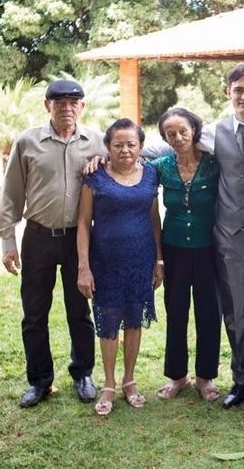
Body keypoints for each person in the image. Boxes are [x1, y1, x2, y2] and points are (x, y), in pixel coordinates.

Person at [140, 63, 244, 408]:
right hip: (227, 240)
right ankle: (241, 379)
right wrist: (111, 154)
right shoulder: (211, 133)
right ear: (228, 93)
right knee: (235, 312)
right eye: (239, 90)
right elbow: (169, 146)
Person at [0, 80, 103, 407]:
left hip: (79, 239)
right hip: (38, 237)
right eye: (60, 102)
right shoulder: (28, 142)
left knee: (80, 309)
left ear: (82, 107)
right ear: (48, 106)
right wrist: (7, 241)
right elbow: (11, 193)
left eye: (74, 102)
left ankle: (83, 372)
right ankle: (40, 381)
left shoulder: (96, 141)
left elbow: (130, 160)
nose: (67, 108)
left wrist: (103, 164)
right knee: (34, 313)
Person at [76, 118, 162, 416]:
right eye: (118, 145)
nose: (125, 150)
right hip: (105, 262)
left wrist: (159, 260)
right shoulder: (95, 175)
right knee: (109, 322)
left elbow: (154, 219)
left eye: (131, 144)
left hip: (141, 260)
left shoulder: (151, 174)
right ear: (108, 147)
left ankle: (129, 380)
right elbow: (84, 223)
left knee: (135, 321)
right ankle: (109, 383)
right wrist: (84, 267)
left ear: (140, 146)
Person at [150, 108, 222, 402]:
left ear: (194, 130)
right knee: (176, 311)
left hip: (209, 247)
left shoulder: (215, 163)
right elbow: (127, 163)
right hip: (175, 248)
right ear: (165, 138)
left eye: (183, 131)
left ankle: (205, 377)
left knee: (208, 312)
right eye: (171, 134)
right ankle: (177, 376)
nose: (178, 138)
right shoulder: (160, 167)